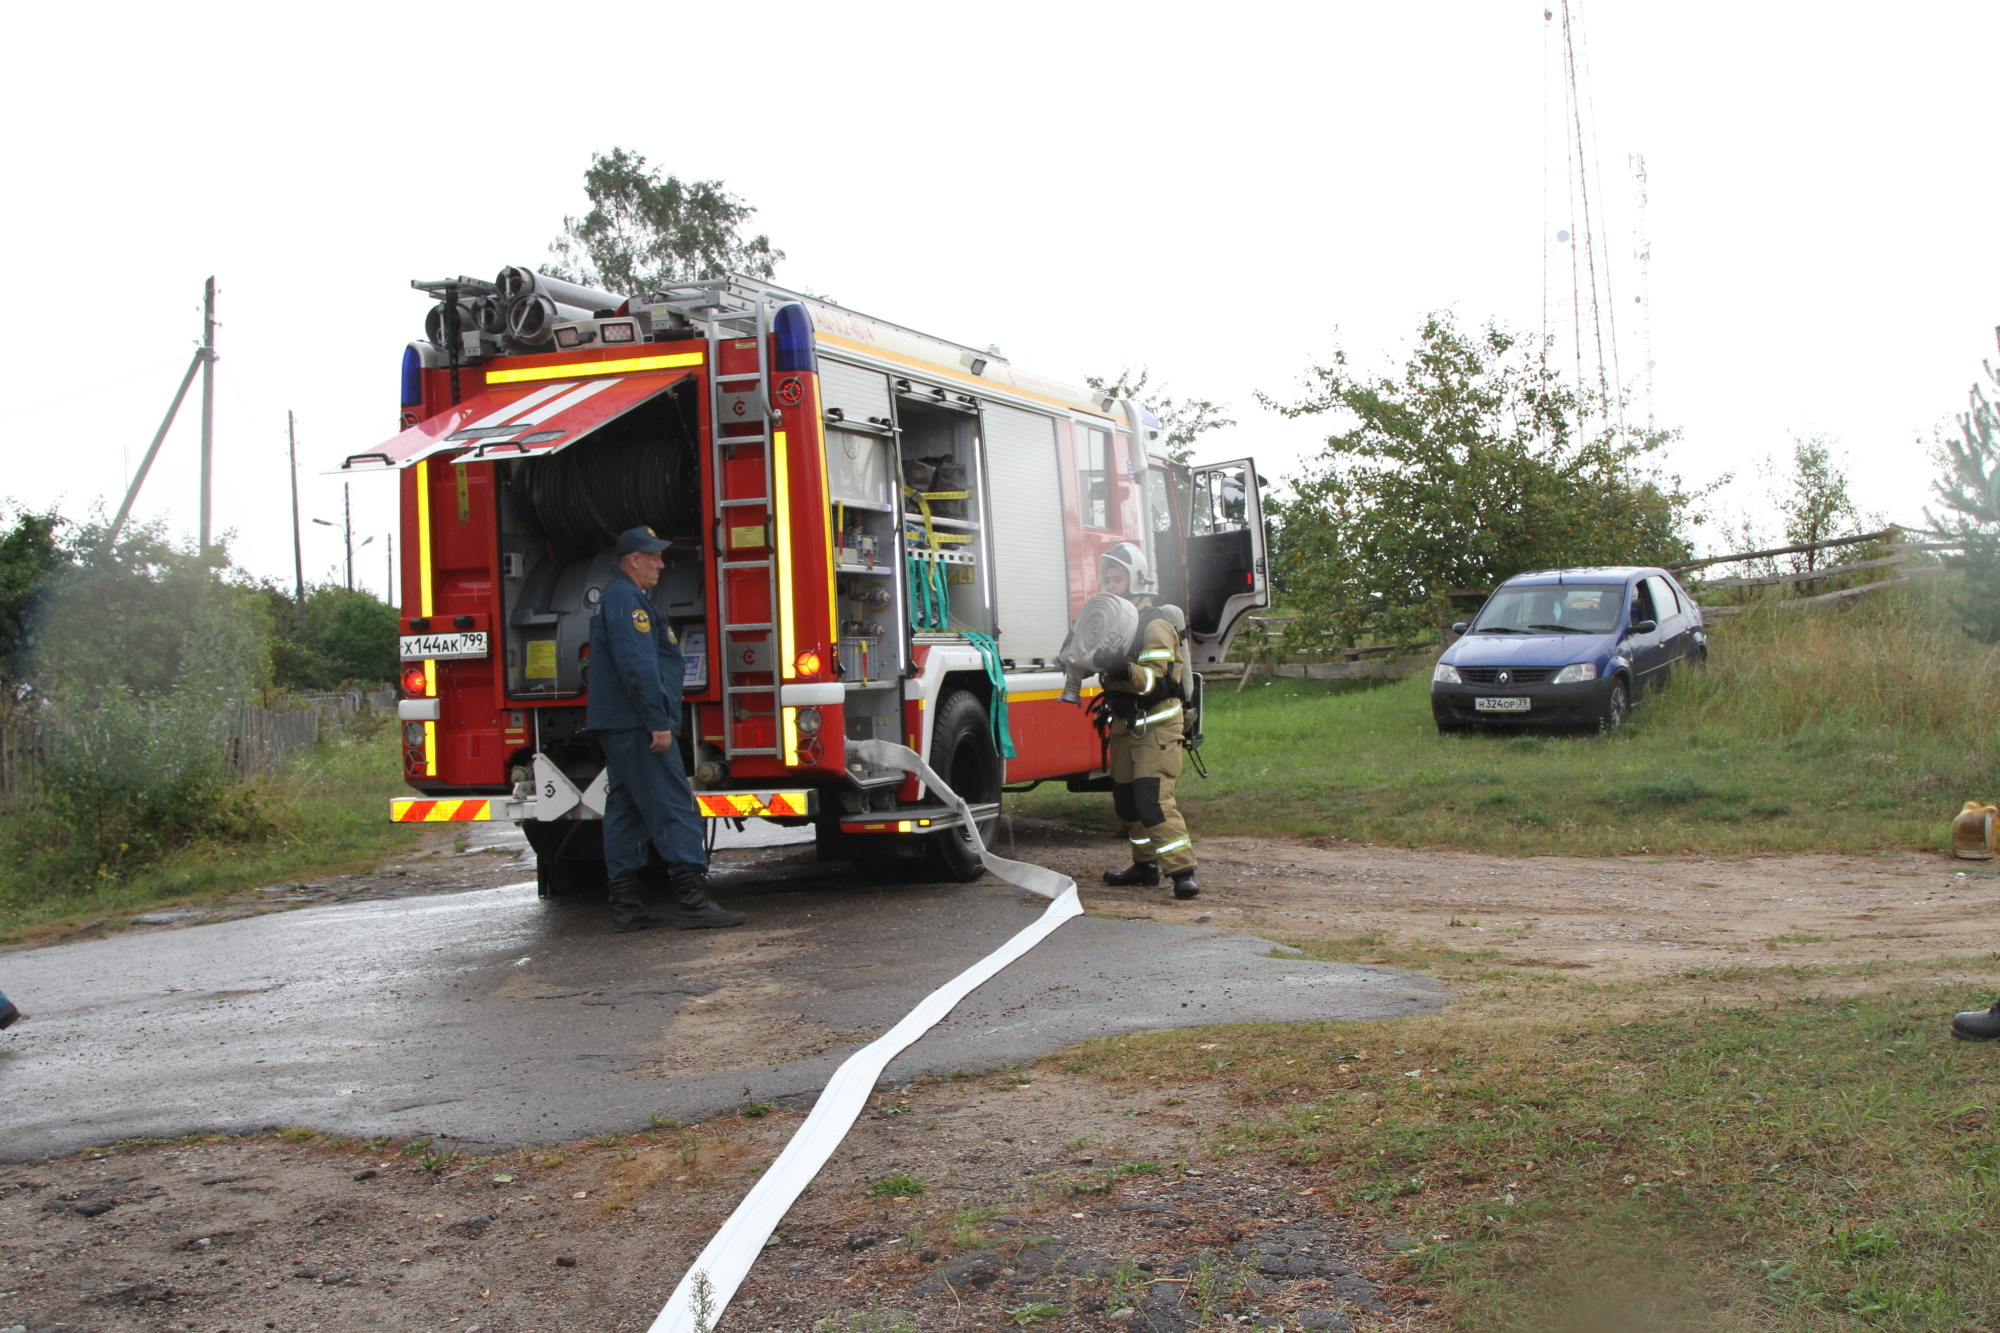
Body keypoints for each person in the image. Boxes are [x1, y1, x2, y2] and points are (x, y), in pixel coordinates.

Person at [587, 527, 745, 933]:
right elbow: (637, 665)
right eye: (653, 557)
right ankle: (693, 902)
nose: (660, 564)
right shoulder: (627, 600)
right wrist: (657, 721)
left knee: (625, 811)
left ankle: (626, 906)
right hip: (637, 724)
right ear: (633, 560)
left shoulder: (623, 597)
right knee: (675, 806)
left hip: (622, 723)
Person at [1091, 542, 1199, 900]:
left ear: (1135, 579)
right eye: (1106, 579)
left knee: (1152, 800)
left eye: (1117, 578)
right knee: (1125, 801)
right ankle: (1145, 865)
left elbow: (1156, 682)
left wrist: (1122, 667)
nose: (1110, 585)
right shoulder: (1113, 623)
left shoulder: (1154, 624)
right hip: (1124, 725)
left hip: (1158, 724)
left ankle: (1182, 871)